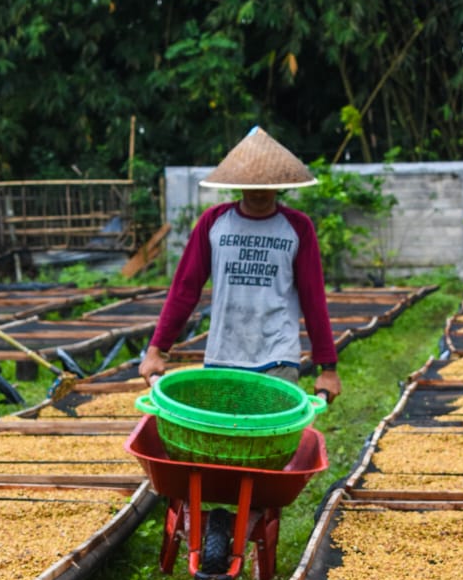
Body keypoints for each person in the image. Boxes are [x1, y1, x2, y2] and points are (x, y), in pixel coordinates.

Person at [139, 126, 341, 402]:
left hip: (277, 357)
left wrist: (327, 367)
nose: (258, 192)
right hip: (224, 354)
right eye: (251, 184)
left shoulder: (297, 228)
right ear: (237, 182)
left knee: (272, 437)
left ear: (280, 183)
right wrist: (156, 350)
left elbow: (313, 298)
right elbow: (185, 289)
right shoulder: (214, 223)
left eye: (266, 185)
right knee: (226, 438)